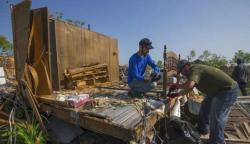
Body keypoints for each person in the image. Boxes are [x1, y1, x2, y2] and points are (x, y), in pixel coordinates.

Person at [168, 60, 240, 144]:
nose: (182, 74)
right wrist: (176, 94)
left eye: (182, 71)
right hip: (216, 91)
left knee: (217, 117)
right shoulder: (192, 72)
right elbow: (190, 88)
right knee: (205, 107)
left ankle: (217, 141)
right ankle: (203, 129)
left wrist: (177, 86)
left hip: (227, 90)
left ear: (187, 66)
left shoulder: (194, 69)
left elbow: (190, 85)